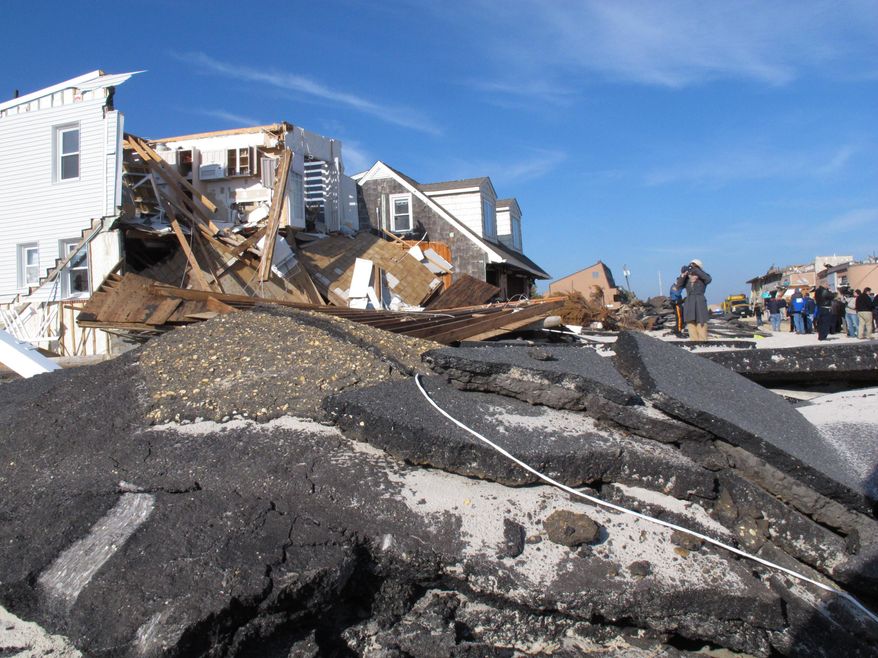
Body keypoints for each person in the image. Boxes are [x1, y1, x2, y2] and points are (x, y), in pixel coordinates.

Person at [675, 259, 711, 341]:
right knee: (690, 322)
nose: (692, 268)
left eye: (694, 266)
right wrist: (683, 274)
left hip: (699, 300)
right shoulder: (687, 278)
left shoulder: (703, 277)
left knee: (701, 321)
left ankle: (703, 341)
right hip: (690, 300)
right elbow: (678, 285)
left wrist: (696, 271)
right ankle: (694, 341)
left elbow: (708, 279)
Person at [668, 269, 687, 336]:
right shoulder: (674, 287)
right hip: (676, 304)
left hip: (679, 303)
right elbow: (677, 294)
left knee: (682, 317)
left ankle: (678, 328)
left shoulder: (677, 286)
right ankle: (678, 331)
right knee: (679, 318)